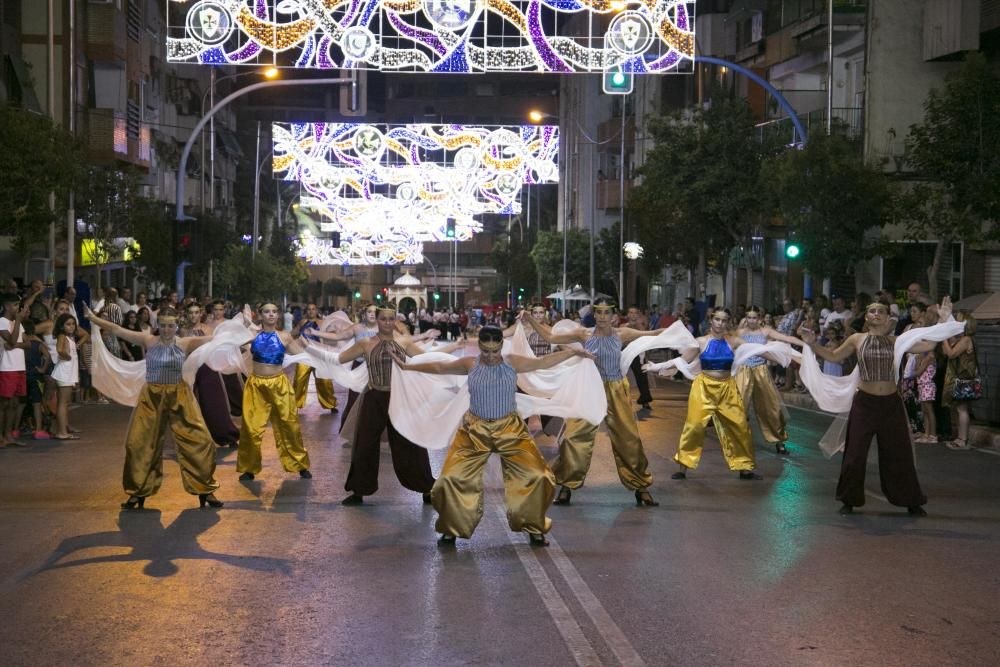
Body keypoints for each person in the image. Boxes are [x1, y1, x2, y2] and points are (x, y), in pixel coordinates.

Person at [396, 326, 595, 545]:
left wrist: (574, 353)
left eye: (495, 351)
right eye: (486, 351)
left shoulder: (511, 362)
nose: (491, 356)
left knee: (539, 476)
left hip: (510, 429)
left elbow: (542, 363)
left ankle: (533, 525)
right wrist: (407, 366)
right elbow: (439, 366)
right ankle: (452, 527)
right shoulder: (470, 364)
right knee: (451, 479)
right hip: (474, 431)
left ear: (501, 345)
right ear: (480, 346)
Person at [796, 298, 959, 515]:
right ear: (866, 317)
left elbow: (929, 344)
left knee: (898, 454)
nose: (875, 314)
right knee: (854, 454)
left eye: (880, 311)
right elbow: (834, 356)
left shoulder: (897, 340)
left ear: (888, 318)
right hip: (864, 403)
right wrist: (812, 343)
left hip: (891, 404)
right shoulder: (857, 339)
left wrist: (943, 318)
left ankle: (911, 500)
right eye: (871, 311)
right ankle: (849, 500)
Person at [521, 297, 665, 506]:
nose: (603, 316)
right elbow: (551, 337)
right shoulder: (584, 334)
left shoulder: (622, 334)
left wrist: (679, 335)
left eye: (607, 313)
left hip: (616, 390)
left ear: (614, 316)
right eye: (599, 312)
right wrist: (530, 320)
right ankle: (567, 486)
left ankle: (640, 486)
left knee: (629, 439)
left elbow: (652, 335)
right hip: (590, 389)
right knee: (573, 437)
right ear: (594, 314)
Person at [84, 305, 223, 510]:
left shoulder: (185, 343)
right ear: (158, 325)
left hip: (179, 396)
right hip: (152, 397)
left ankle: (205, 490)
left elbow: (217, 340)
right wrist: (93, 318)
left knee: (199, 441)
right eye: (163, 325)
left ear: (177, 325)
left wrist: (241, 331)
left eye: (171, 325)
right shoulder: (148, 340)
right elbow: (117, 330)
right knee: (138, 443)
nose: (167, 329)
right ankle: (137, 492)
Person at [328, 306, 437, 506]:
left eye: (391, 319)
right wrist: (308, 351)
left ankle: (427, 489)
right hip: (374, 396)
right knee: (365, 444)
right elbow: (338, 359)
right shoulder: (365, 343)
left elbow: (427, 360)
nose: (387, 322)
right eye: (383, 319)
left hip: (399, 398)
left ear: (395, 320)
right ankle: (359, 491)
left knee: (410, 443)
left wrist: (453, 356)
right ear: (377, 320)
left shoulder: (403, 341)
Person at [668, 308, 783, 480]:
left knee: (740, 426)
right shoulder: (700, 342)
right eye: (717, 320)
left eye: (724, 320)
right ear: (711, 320)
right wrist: (658, 366)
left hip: (727, 388)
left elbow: (757, 351)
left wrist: (782, 358)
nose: (720, 324)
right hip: (704, 388)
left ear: (728, 322)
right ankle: (683, 467)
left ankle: (745, 468)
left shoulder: (734, 341)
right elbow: (683, 360)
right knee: (694, 427)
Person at [237, 302, 312, 481]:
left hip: (279, 385)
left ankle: (300, 465)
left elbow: (302, 356)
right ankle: (249, 468)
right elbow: (233, 343)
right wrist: (245, 325)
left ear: (278, 316)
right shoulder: (253, 336)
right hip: (256, 386)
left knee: (289, 425)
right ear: (260, 315)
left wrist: (315, 351)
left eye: (274, 312)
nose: (271, 315)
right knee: (251, 428)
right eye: (266, 312)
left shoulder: (284, 337)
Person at [734, 306, 800, 455]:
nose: (751, 320)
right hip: (742, 370)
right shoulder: (740, 332)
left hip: (761, 371)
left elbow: (787, 338)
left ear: (760, 318)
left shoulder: (766, 331)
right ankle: (737, 439)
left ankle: (779, 440)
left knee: (771, 407)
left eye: (754, 317)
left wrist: (806, 344)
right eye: (749, 317)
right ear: (746, 318)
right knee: (738, 406)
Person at [941, 311, 980, 451]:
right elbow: (946, 352)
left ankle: (963, 440)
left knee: (962, 409)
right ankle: (959, 437)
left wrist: (944, 336)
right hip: (959, 379)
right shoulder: (961, 339)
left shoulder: (966, 340)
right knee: (958, 409)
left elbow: (951, 354)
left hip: (964, 379)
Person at [291, 303, 338, 413]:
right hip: (304, 355)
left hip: (319, 356)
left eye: (313, 309)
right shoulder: (302, 322)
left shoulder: (323, 323)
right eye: (309, 309)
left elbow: (332, 336)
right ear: (306, 311)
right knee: (299, 380)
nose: (311, 311)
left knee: (324, 381)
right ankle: (294, 405)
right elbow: (294, 333)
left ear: (316, 310)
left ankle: (331, 404)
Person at [50, 313, 88, 440]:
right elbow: (60, 350)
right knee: (62, 403)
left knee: (65, 403)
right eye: (68, 324)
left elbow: (86, 336)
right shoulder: (62, 335)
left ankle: (63, 429)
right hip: (64, 373)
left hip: (67, 372)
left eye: (73, 324)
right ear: (61, 326)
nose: (71, 327)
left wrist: (76, 347)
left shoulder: (69, 337)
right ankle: (61, 432)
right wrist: (68, 357)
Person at [0, 293, 28, 447]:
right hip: (6, 368)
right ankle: (1, 436)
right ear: (6, 306)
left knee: (14, 404)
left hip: (19, 367)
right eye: (16, 305)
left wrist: (15, 345)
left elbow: (28, 343)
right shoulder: (2, 322)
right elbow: (11, 339)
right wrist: (17, 320)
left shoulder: (17, 323)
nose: (19, 308)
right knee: (4, 404)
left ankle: (8, 435)